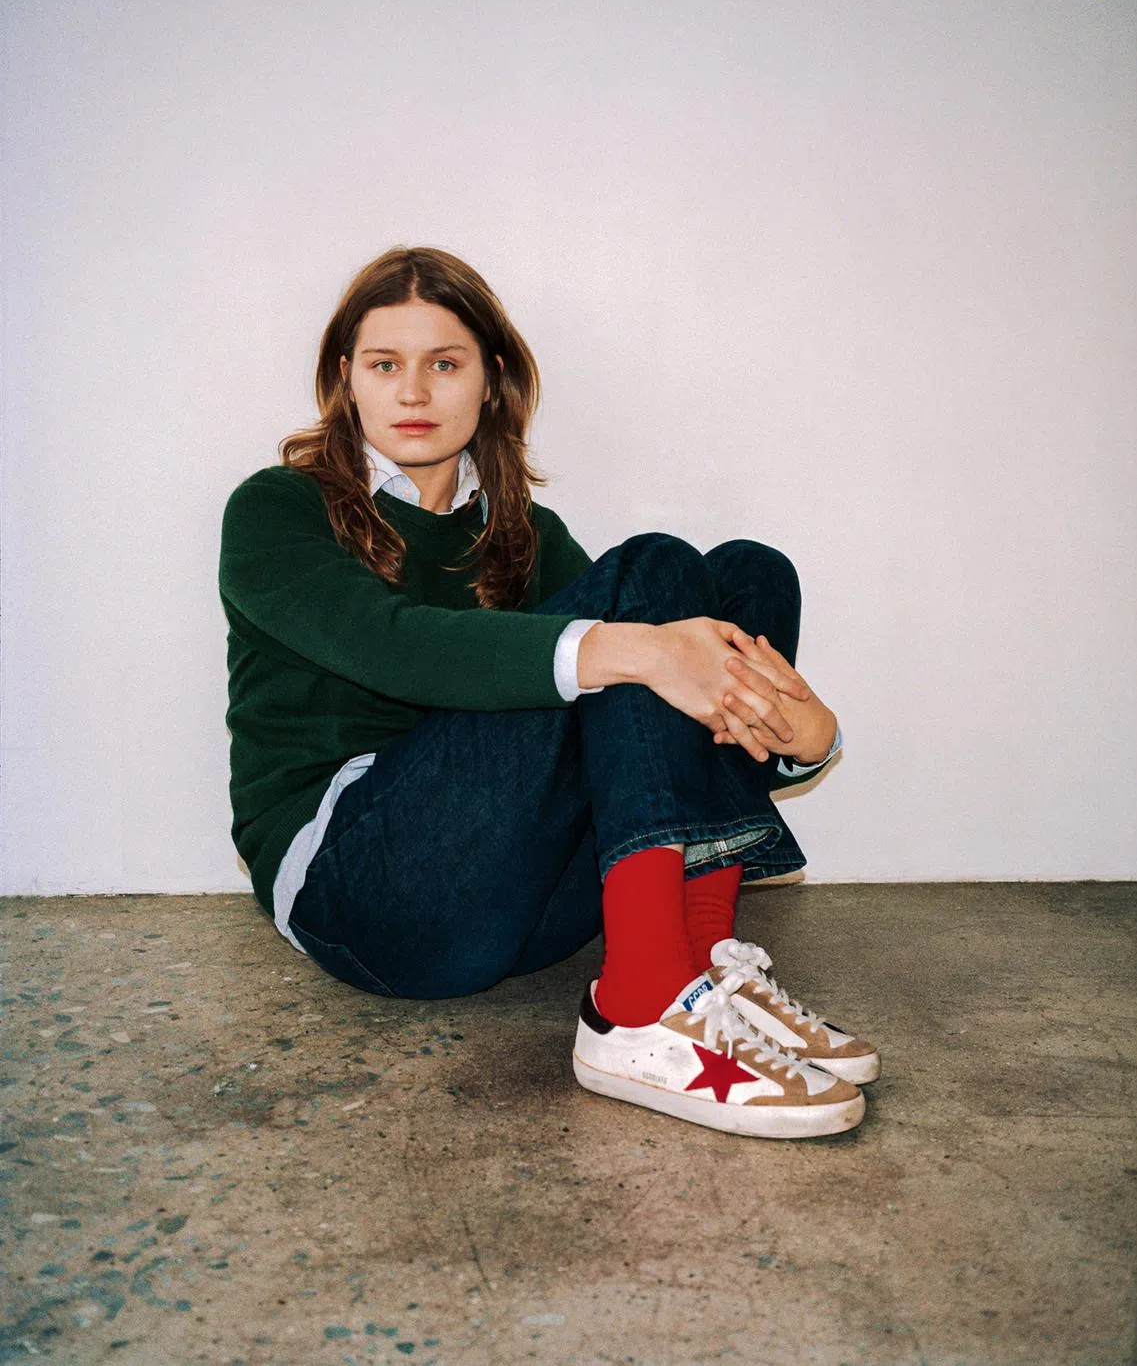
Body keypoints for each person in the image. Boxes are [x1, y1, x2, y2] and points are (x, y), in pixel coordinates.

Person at [218, 245, 879, 1141]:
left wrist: (811, 738)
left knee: (742, 577)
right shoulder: (276, 510)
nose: (412, 391)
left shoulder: (522, 532)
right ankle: (636, 1012)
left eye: (443, 364)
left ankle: (700, 965)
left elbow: (649, 729)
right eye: (384, 364)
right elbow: (396, 645)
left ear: (490, 379)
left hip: (516, 906)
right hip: (361, 894)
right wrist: (638, 648)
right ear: (346, 377)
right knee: (647, 587)